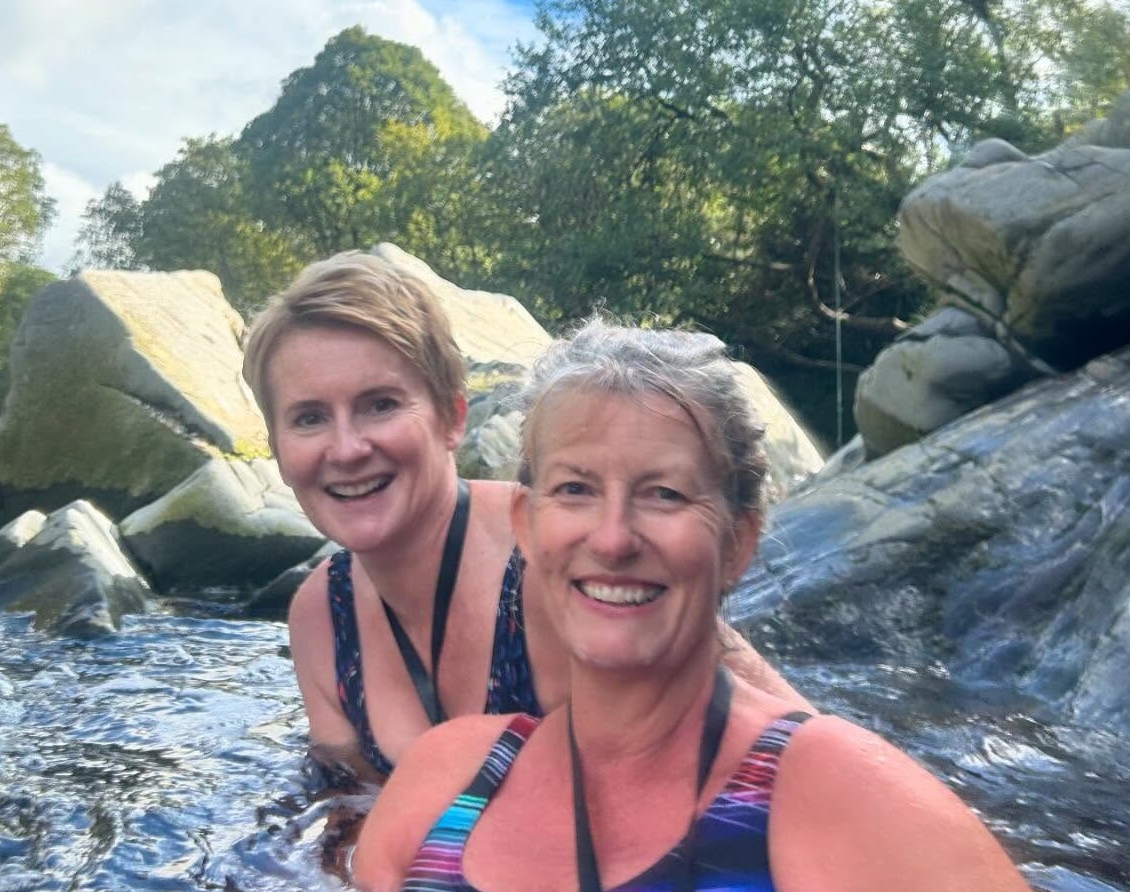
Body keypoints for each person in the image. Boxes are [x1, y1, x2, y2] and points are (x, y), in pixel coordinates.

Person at [353, 319, 1081, 892]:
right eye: (575, 489)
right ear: (527, 524)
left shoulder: (841, 797)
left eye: (664, 494)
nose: (612, 538)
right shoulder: (446, 777)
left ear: (739, 541)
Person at [242, 251, 808, 781]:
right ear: (277, 446)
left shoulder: (556, 553)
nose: (346, 449)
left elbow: (800, 743)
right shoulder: (321, 616)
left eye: (380, 405)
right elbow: (347, 817)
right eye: (309, 418)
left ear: (452, 417)